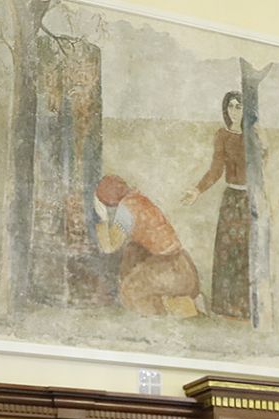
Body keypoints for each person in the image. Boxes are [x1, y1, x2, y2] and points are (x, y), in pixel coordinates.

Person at [181, 90, 250, 320]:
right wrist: (197, 190)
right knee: (227, 252)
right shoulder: (222, 135)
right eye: (231, 106)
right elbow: (216, 169)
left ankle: (247, 308)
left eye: (239, 106)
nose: (234, 111)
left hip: (250, 200)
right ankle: (226, 307)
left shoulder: (253, 136)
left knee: (247, 252)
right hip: (231, 199)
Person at [94, 175, 202, 317]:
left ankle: (184, 306)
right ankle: (182, 303)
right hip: (181, 266)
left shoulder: (127, 207)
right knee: (132, 250)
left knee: (130, 293)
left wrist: (102, 218)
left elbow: (109, 247)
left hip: (170, 269)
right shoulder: (138, 199)